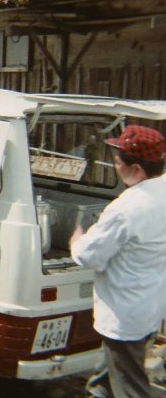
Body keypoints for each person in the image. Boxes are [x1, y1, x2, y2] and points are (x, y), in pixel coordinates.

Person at [69, 124, 166, 398]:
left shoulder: (126, 208)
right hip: (149, 305)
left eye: (118, 160)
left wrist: (76, 240)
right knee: (104, 379)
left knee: (130, 387)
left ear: (136, 169)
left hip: (125, 314)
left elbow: (88, 256)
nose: (115, 164)